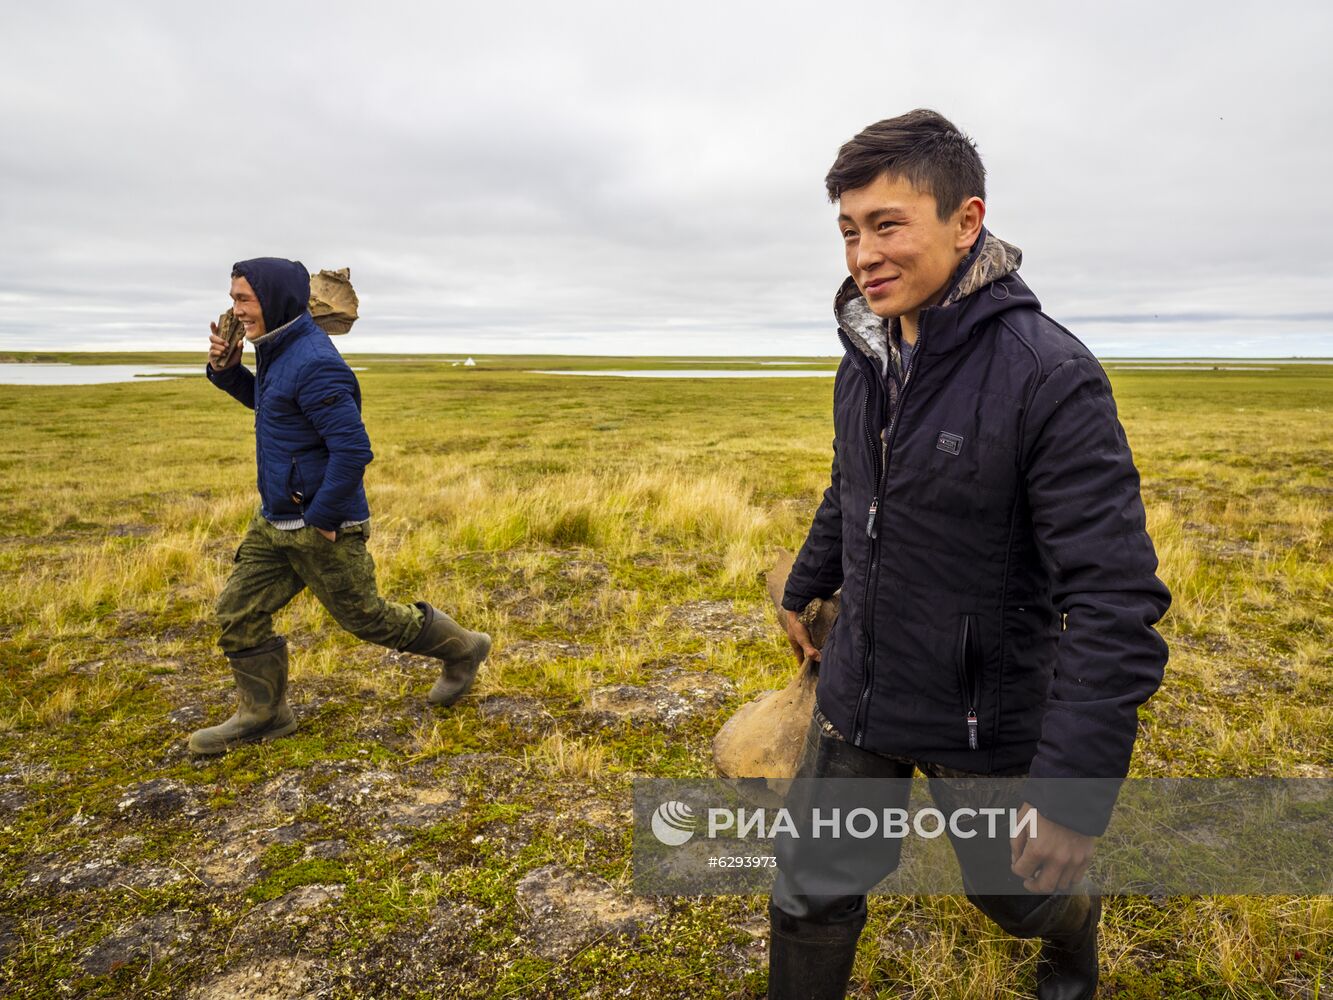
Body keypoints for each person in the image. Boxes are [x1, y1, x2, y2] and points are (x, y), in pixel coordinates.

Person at [770, 111, 1170, 999]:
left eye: (886, 225)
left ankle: (1072, 935)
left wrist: (1070, 799)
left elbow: (1112, 600)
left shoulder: (1048, 375)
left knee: (1016, 898)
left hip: (980, 706)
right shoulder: (865, 357)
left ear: (966, 220)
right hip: (861, 681)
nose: (862, 254)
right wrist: (807, 585)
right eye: (847, 230)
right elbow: (853, 487)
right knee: (808, 893)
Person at [190, 257, 491, 755]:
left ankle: (464, 647)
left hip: (320, 522)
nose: (235, 309)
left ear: (273, 298)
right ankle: (264, 714)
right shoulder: (277, 349)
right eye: (233, 298)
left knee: (368, 618)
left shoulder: (315, 361)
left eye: (244, 298)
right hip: (275, 518)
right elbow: (276, 408)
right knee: (236, 612)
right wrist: (225, 371)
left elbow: (352, 450)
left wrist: (323, 520)